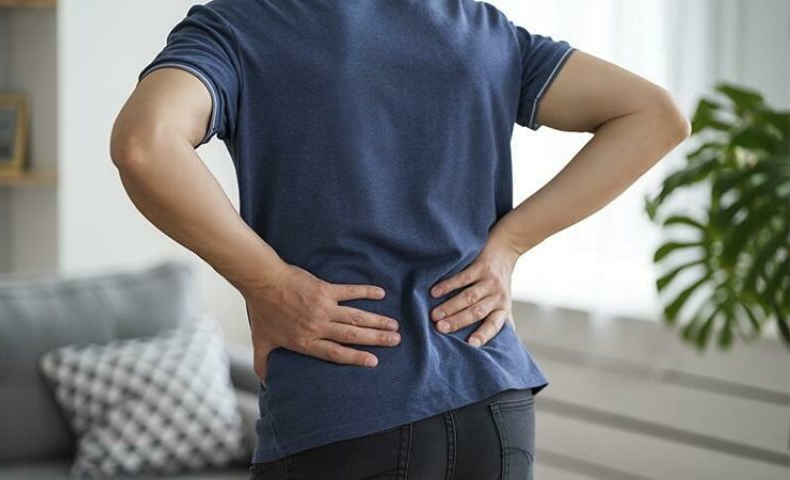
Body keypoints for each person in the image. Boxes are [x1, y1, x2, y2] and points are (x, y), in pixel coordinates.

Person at [110, 0, 690, 478]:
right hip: (494, 402)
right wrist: (509, 244)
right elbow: (656, 115)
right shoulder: (483, 29)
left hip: (343, 401)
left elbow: (145, 145)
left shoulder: (239, 27)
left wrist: (267, 283)